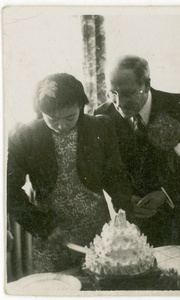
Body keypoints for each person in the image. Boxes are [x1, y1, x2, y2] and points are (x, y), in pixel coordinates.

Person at [7, 73, 133, 273]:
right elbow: (8, 190)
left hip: (97, 234)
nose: (62, 126)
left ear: (81, 108)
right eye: (52, 119)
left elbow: (115, 176)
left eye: (69, 117)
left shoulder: (100, 127)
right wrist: (42, 227)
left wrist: (124, 216)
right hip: (52, 237)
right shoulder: (25, 136)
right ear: (41, 112)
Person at [94, 55, 180, 248]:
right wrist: (124, 198)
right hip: (134, 217)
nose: (119, 102)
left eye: (127, 93)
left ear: (147, 84)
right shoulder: (103, 116)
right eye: (112, 93)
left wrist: (166, 193)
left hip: (179, 214)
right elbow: (105, 168)